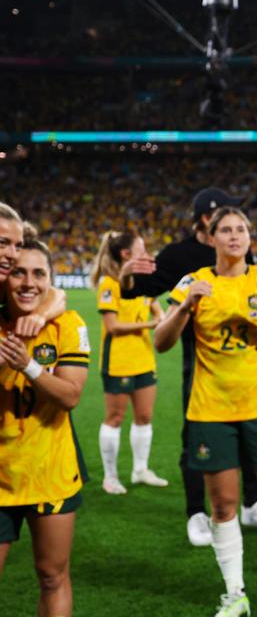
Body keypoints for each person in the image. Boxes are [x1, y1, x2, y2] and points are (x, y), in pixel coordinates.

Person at [153, 207, 257, 617]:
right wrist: (185, 307)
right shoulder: (195, 283)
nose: (234, 236)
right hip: (211, 410)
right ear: (211, 238)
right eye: (224, 230)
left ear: (249, 236)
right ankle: (235, 594)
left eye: (241, 229)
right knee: (223, 507)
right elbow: (161, 341)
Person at [119, 188, 257, 546]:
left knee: (252, 434)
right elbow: (138, 289)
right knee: (195, 439)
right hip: (203, 364)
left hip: (250, 360)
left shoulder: (239, 250)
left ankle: (252, 503)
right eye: (225, 217)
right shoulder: (179, 256)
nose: (233, 229)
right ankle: (196, 513)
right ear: (207, 219)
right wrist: (127, 275)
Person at [0, 239, 90, 616]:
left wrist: (29, 367)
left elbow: (70, 395)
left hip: (50, 469)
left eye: (39, 273)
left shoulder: (69, 325)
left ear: (52, 280)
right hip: (2, 473)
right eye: (19, 271)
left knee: (52, 576)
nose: (28, 282)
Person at [89, 230, 168, 495]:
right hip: (118, 362)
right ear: (126, 254)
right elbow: (112, 327)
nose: (146, 255)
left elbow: (154, 303)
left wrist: (160, 313)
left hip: (144, 359)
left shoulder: (142, 282)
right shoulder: (109, 284)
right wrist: (149, 323)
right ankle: (110, 477)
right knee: (115, 417)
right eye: (141, 250)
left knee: (144, 416)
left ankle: (140, 470)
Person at [0, 203, 68, 338]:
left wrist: (39, 315)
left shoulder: (3, 286)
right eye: (2, 243)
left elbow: (57, 295)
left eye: (18, 246)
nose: (13, 254)